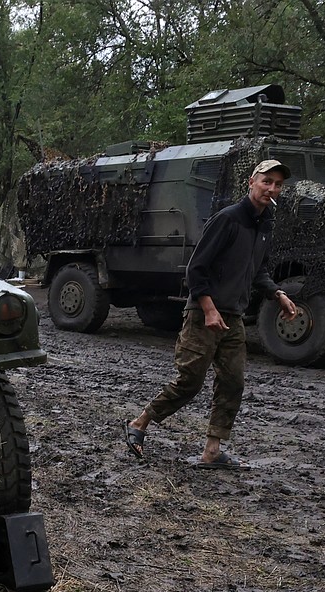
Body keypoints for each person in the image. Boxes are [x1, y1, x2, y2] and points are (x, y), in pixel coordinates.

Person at [122, 159, 299, 468]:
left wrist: (277, 293)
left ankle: (213, 450)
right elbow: (196, 269)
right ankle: (139, 423)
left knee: (233, 382)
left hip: (232, 316)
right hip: (204, 313)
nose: (271, 188)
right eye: (266, 181)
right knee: (190, 382)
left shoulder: (265, 223)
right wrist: (208, 309)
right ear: (251, 182)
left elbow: (257, 271)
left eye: (278, 184)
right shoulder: (227, 219)